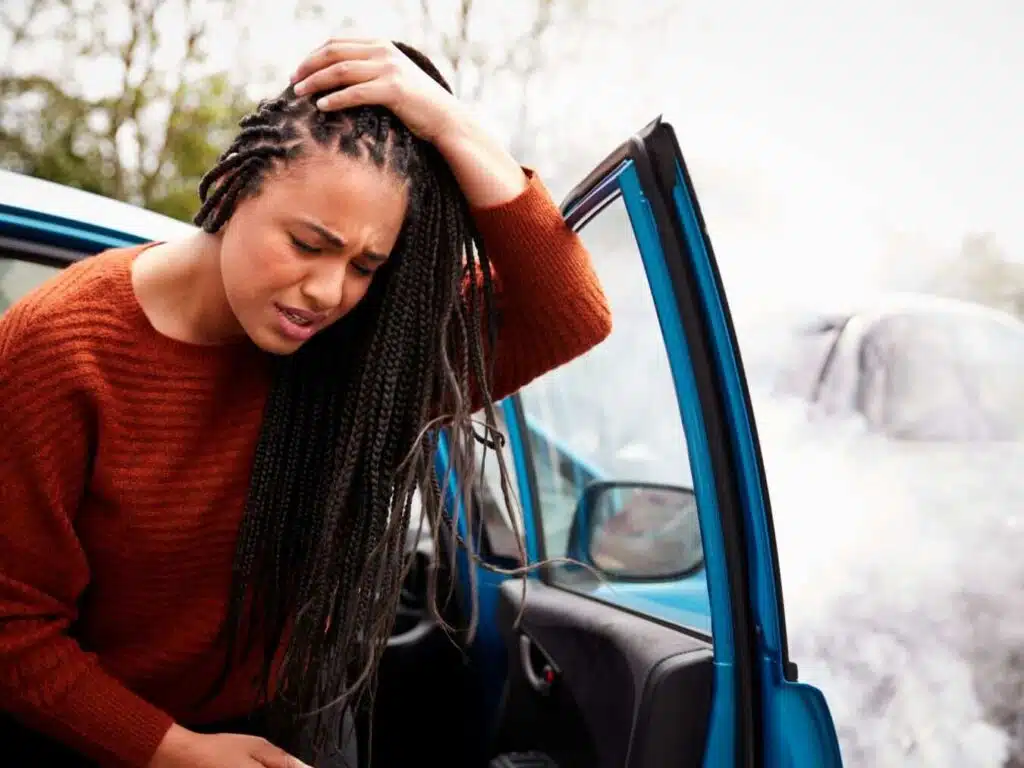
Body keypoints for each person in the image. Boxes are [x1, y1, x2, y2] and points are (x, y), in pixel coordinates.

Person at [0, 38, 612, 768]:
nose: (328, 292)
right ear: (233, 184)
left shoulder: (359, 354)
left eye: (364, 265)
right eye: (306, 243)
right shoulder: (62, 346)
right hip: (93, 735)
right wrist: (178, 753)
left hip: (289, 722)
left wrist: (453, 125)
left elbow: (569, 311)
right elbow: (12, 625)